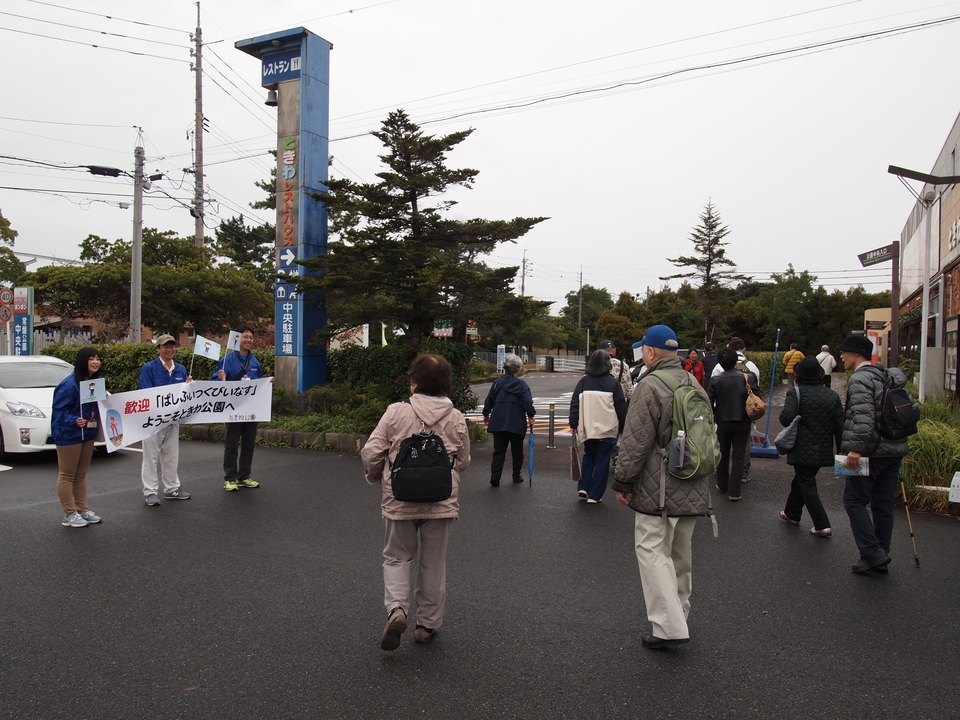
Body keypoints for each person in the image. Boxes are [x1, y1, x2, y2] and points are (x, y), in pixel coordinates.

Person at [361, 354, 471, 650]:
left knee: (397, 557)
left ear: (414, 383)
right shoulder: (457, 417)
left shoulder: (396, 412)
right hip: (441, 502)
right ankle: (428, 625)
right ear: (446, 384)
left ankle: (397, 609)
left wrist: (376, 477)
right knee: (433, 563)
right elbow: (463, 461)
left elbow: (372, 453)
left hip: (400, 500)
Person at [612, 324, 712, 649]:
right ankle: (679, 614)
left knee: (651, 549)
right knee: (680, 553)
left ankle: (668, 628)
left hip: (659, 488)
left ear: (651, 351)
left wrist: (623, 480)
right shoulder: (693, 380)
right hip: (693, 482)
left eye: (643, 349)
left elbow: (636, 440)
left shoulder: (650, 384)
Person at [837, 335, 910, 575]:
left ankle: (871, 552)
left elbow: (864, 419)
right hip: (894, 448)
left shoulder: (860, 379)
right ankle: (881, 552)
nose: (841, 356)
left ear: (857, 354)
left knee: (854, 500)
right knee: (883, 503)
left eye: (844, 352)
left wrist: (855, 449)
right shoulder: (888, 376)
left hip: (869, 452)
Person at [778, 357, 843, 537]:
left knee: (806, 483)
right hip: (823, 448)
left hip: (802, 446)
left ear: (799, 376)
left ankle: (822, 525)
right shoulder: (833, 395)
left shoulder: (796, 393)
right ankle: (792, 513)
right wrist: (841, 450)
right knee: (801, 480)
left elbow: (785, 418)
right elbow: (840, 426)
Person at [212, 325, 270, 491]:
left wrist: (267, 383)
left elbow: (258, 384)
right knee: (231, 444)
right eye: (245, 337)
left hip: (251, 410)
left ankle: (244, 476)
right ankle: (230, 478)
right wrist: (221, 380)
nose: (248, 340)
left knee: (249, 444)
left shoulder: (255, 361)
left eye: (251, 337)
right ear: (237, 338)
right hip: (233, 409)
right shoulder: (227, 359)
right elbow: (214, 382)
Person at [52, 347, 104, 528]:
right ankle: (69, 514)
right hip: (69, 434)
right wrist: (74, 420)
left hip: (87, 433)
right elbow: (59, 412)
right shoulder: (68, 385)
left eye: (97, 358)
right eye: (91, 359)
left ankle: (82, 510)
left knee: (81, 475)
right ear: (83, 361)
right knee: (67, 475)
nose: (96, 362)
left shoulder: (94, 383)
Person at [139, 334, 192, 506]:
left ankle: (172, 488)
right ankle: (150, 492)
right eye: (165, 346)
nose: (170, 349)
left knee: (171, 456)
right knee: (151, 457)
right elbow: (146, 394)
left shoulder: (181, 369)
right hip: (153, 421)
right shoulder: (149, 368)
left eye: (172, 346)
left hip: (173, 421)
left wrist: (189, 385)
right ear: (158, 349)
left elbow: (184, 395)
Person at [569, 349, 627, 504]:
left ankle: (584, 486)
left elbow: (575, 403)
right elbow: (621, 407)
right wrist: (623, 427)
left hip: (588, 427)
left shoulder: (583, 382)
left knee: (589, 455)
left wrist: (573, 423)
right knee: (602, 459)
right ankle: (595, 495)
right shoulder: (612, 383)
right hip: (607, 428)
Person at [708, 347, 759, 501]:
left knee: (722, 453)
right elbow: (756, 395)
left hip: (723, 421)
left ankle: (722, 485)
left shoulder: (715, 380)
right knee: (738, 456)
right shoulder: (748, 377)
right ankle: (735, 491)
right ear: (736, 362)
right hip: (743, 420)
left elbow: (709, 402)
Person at [482, 353, 535, 486]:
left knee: (499, 450)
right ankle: (516, 476)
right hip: (516, 421)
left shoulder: (497, 383)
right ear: (519, 369)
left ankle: (495, 476)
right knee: (517, 451)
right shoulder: (522, 385)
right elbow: (527, 402)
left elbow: (489, 399)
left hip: (499, 420)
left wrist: (486, 413)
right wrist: (531, 415)